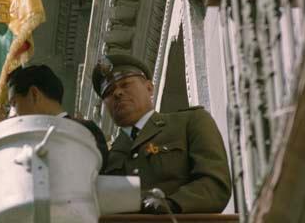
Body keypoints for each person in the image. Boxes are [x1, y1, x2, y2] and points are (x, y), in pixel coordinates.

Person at [91, 54, 232, 213]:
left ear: (149, 88)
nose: (117, 93)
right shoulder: (106, 157)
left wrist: (171, 204)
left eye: (125, 85)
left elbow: (214, 185)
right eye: (109, 92)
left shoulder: (190, 122)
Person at [0, 64, 108, 170]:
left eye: (13, 104)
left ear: (34, 94)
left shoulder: (84, 131)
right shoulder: (23, 143)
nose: (10, 116)